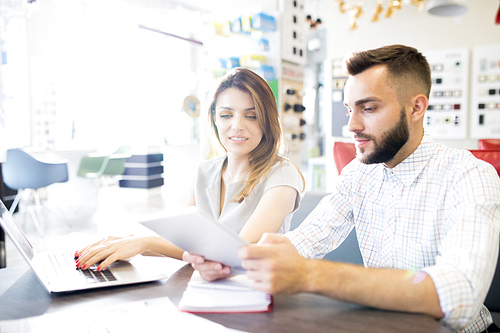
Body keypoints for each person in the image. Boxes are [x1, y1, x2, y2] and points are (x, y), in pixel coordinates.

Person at [190, 45, 500, 333]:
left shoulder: (470, 174)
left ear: (417, 107)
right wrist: (230, 262)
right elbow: (305, 240)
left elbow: (461, 294)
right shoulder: (358, 174)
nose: (351, 125)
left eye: (368, 109)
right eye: (349, 109)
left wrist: (312, 275)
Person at [75, 67, 304, 273]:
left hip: (256, 291)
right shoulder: (204, 172)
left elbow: (238, 254)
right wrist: (131, 242)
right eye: (226, 115)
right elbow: (186, 244)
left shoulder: (281, 174)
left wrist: (146, 242)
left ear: (266, 120)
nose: (237, 125)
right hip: (205, 287)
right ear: (214, 119)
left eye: (251, 116)